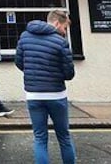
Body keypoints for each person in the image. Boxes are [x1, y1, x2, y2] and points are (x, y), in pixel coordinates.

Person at [15, 9, 76, 164]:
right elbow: (69, 73)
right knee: (64, 137)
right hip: (56, 95)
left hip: (34, 95)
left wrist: (33, 72)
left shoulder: (24, 37)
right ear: (56, 23)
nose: (64, 32)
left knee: (40, 138)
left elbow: (19, 62)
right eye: (64, 28)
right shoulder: (61, 42)